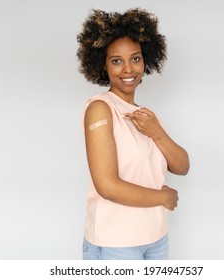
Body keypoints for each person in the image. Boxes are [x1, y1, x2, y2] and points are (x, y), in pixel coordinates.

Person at [76, 8, 190, 260]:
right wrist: (164, 197)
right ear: (102, 65)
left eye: (135, 58)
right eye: (116, 60)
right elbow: (107, 186)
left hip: (156, 240)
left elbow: (182, 166)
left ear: (146, 59)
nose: (128, 69)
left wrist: (157, 132)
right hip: (116, 244)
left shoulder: (146, 116)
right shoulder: (101, 109)